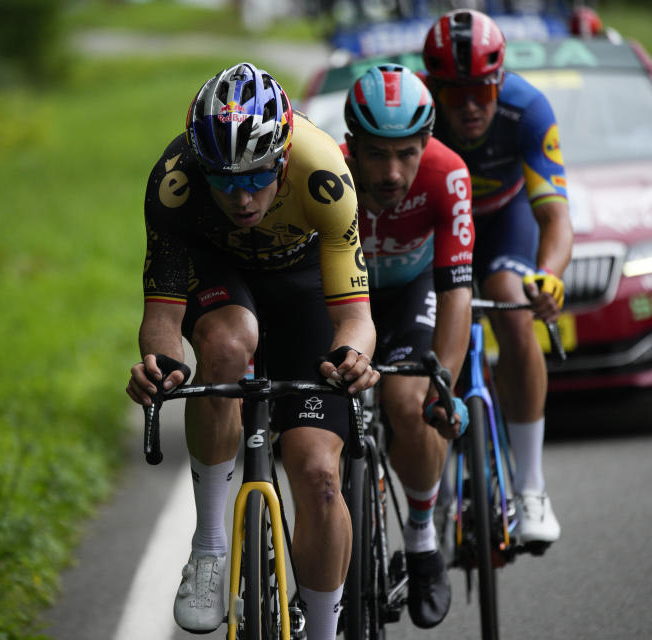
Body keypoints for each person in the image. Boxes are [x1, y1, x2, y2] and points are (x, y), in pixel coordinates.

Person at [126, 62, 379, 640]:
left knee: (318, 475)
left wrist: (352, 358)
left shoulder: (324, 173)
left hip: (304, 288)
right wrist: (160, 369)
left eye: (257, 177)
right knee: (227, 343)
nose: (241, 197)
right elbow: (162, 319)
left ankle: (321, 630)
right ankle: (210, 547)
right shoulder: (174, 184)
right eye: (225, 180)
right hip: (221, 280)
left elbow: (354, 317)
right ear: (200, 165)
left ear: (284, 158)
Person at [421, 9, 574, 545]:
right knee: (426, 332)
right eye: (454, 92)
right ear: (431, 86)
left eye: (481, 92)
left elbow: (555, 216)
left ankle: (531, 487)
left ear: (500, 82)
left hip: (504, 223)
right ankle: (433, 489)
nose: (468, 107)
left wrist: (549, 277)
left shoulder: (527, 109)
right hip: (436, 230)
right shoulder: (415, 112)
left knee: (513, 303)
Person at [341, 64, 475, 628]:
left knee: (408, 404)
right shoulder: (328, 172)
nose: (392, 173)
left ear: (427, 143)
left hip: (414, 291)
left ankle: (421, 544)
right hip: (344, 295)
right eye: (376, 155)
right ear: (351, 148)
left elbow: (457, 294)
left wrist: (443, 384)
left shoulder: (448, 174)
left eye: (406, 154)